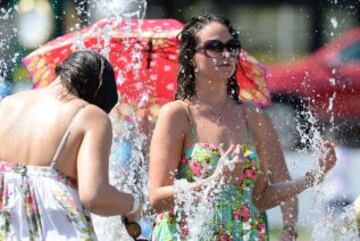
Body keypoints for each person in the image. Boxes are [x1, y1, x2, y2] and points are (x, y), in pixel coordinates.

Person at [149, 13, 336, 241]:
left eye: (232, 46)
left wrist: (310, 179)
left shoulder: (253, 116)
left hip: (244, 234)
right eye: (214, 47)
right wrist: (212, 183)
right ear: (190, 57)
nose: (226, 54)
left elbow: (260, 198)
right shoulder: (177, 114)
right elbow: (157, 198)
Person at [0, 51, 141, 240]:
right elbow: (94, 196)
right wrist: (133, 204)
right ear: (95, 95)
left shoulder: (8, 104)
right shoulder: (91, 116)